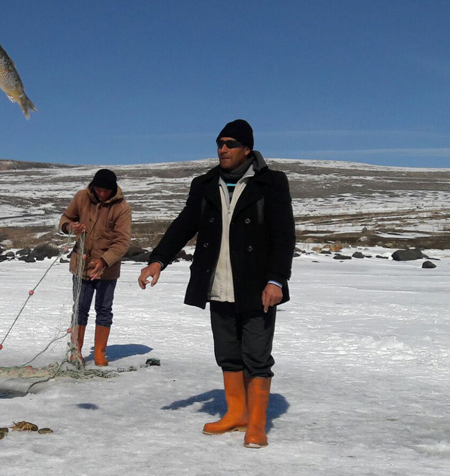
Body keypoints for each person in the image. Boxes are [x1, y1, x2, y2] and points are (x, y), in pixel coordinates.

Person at [138, 119, 295, 448]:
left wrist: (276, 279)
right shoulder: (206, 183)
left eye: (230, 144)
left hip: (256, 285)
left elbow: (284, 236)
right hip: (217, 282)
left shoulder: (272, 183)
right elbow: (184, 225)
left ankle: (256, 422)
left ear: (247, 149)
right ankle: (236, 413)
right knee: (227, 353)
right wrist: (158, 260)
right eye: (219, 143)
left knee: (256, 354)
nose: (223, 149)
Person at [59, 169, 132, 366]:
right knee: (80, 309)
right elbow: (65, 219)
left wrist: (104, 261)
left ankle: (100, 352)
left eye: (105, 191)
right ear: (93, 186)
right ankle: (76, 351)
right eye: (98, 190)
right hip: (81, 265)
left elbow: (122, 242)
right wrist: (70, 228)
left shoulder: (122, 208)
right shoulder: (82, 197)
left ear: (113, 190)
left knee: (104, 309)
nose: (101, 194)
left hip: (107, 269)